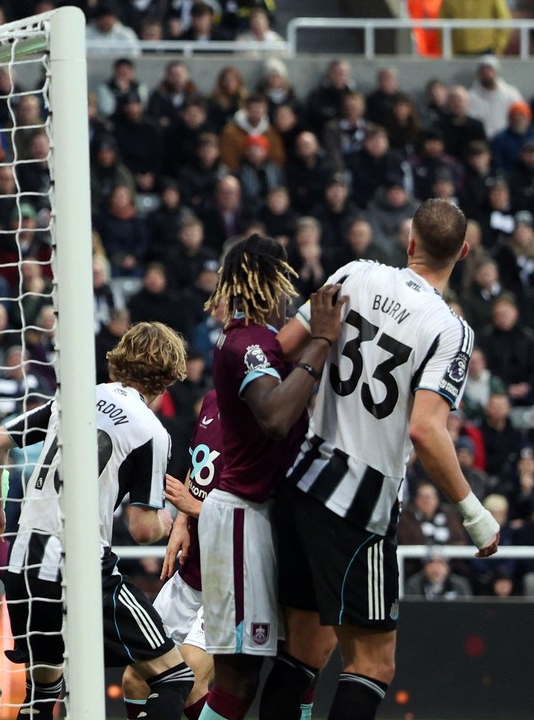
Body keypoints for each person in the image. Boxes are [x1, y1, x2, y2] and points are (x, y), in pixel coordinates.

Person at [260, 199, 500, 720]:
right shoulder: (450, 330)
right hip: (357, 507)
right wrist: (475, 515)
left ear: (409, 241)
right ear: (463, 251)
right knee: (373, 664)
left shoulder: (355, 273)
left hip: (302, 482)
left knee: (305, 651)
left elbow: (283, 346)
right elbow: (426, 430)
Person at [0, 322, 194, 720]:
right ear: (167, 381)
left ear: (119, 361)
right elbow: (143, 529)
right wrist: (172, 519)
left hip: (23, 561)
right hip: (81, 567)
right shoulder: (151, 431)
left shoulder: (73, 398)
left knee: (43, 690)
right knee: (174, 677)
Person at [191, 234, 345, 720]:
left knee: (292, 664)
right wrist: (320, 340)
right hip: (241, 515)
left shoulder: (253, 340)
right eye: (284, 282)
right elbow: (275, 417)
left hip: (267, 514)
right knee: (238, 675)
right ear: (267, 281)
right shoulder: (247, 342)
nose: (289, 296)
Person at [121, 390, 222, 720]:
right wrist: (182, 521)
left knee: (190, 678)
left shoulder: (265, 417)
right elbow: (198, 465)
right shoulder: (211, 399)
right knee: (136, 677)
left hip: (231, 578)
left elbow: (265, 511)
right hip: (190, 571)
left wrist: (193, 507)